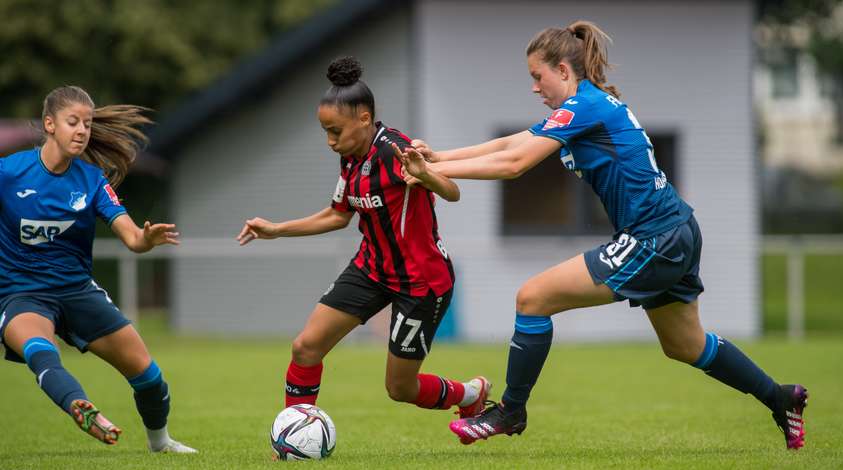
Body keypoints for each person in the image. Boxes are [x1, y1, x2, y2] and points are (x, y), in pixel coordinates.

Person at [404, 21, 807, 450]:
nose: (534, 87)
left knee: (532, 298)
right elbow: (513, 143)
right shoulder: (585, 107)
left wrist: (431, 173)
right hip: (677, 230)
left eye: (537, 77)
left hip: (655, 236)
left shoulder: (584, 108)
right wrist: (440, 157)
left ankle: (510, 411)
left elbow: (513, 165)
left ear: (562, 69)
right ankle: (779, 398)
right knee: (685, 345)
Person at [236, 57, 491, 422]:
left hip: (421, 281)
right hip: (371, 269)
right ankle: (293, 433)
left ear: (364, 119)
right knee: (306, 348)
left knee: (399, 388)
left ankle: (470, 393)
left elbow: (452, 192)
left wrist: (426, 175)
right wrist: (277, 229)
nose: (329, 141)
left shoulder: (396, 151)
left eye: (335, 131)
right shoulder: (351, 157)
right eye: (325, 130)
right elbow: (338, 215)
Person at [0, 86, 196, 453]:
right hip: (20, 292)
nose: (82, 130)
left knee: (149, 376)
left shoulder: (91, 181)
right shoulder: (8, 173)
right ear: (49, 124)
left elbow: (133, 240)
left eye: (87, 124)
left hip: (77, 291)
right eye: (73, 122)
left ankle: (161, 442)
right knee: (40, 351)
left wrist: (147, 238)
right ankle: (78, 404)